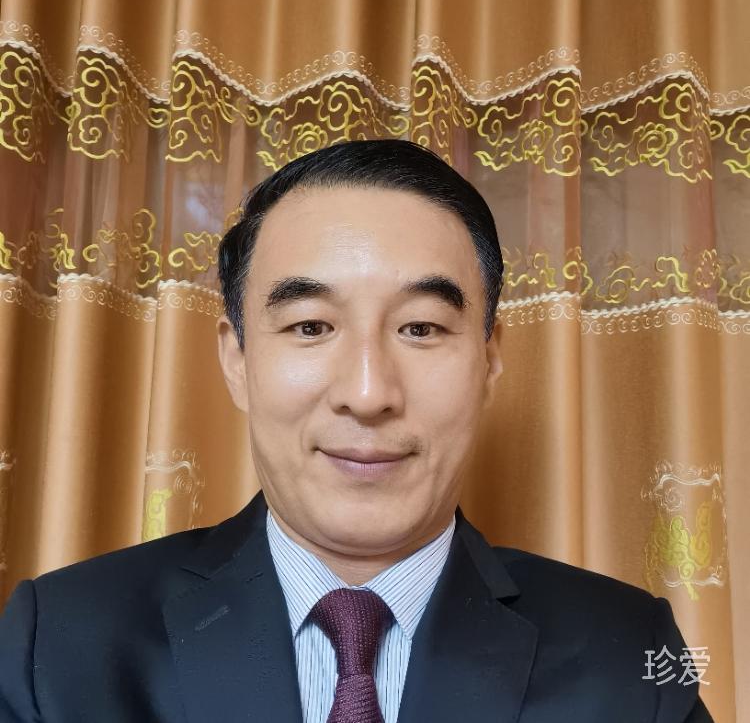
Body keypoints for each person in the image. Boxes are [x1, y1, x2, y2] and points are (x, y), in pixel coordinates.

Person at [0, 140, 713, 722]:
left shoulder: (631, 657)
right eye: (312, 327)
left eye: (421, 328)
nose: (368, 394)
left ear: (489, 358)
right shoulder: (58, 645)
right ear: (237, 359)